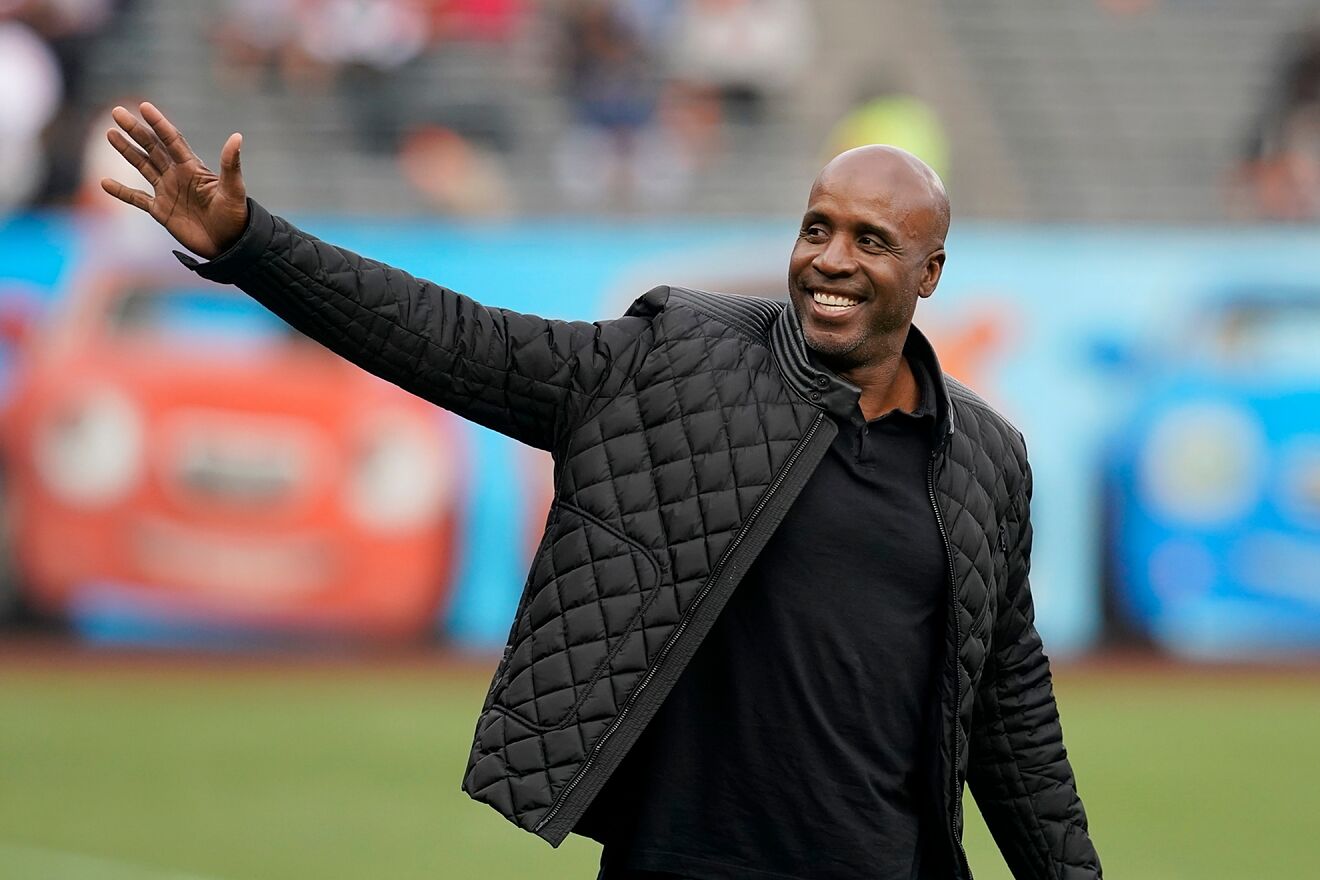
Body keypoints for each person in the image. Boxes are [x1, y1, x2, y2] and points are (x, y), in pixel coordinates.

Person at [101, 102, 1102, 880]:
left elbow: (1010, 717)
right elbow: (451, 339)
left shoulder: (985, 460)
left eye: (871, 241)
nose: (831, 260)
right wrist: (252, 246)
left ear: (930, 272)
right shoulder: (674, 363)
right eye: (816, 228)